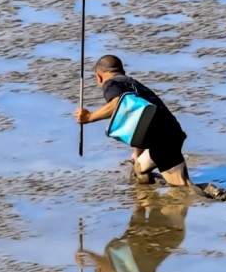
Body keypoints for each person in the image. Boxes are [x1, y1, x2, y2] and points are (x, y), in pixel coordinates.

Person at [74, 54, 192, 187]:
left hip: (163, 142)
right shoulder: (133, 84)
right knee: (139, 170)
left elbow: (117, 103)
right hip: (169, 135)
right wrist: (137, 154)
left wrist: (90, 117)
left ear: (99, 77)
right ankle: (146, 200)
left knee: (183, 189)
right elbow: (140, 120)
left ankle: (211, 193)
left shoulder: (111, 83)